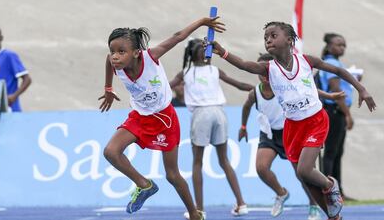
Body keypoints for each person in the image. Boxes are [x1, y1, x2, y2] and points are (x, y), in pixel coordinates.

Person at [211, 22, 376, 220]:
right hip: (292, 126)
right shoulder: (268, 68)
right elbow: (245, 65)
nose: (268, 40)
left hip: (315, 120)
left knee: (305, 170)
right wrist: (222, 52)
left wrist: (361, 89)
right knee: (303, 176)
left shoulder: (306, 61)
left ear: (289, 40)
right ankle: (332, 216)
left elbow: (338, 71)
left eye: (273, 35)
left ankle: (330, 185)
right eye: (265, 38)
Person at [98, 17, 225, 220]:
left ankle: (194, 213)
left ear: (136, 53)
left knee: (172, 175)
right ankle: (144, 184)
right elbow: (107, 61)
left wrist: (202, 22)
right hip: (139, 116)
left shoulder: (151, 57)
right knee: (111, 152)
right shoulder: (115, 64)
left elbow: (177, 37)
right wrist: (108, 88)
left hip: (165, 119)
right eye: (113, 51)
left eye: (121, 52)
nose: (115, 56)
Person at [239, 53, 346, 220]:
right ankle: (281, 193)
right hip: (270, 134)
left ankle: (314, 206)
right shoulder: (255, 93)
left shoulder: (282, 82)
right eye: (261, 73)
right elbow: (246, 107)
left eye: (266, 72)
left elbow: (309, 88)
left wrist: (329, 96)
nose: (264, 76)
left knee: (303, 174)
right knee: (261, 167)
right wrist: (243, 126)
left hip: (293, 131)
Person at [170, 38, 253, 219]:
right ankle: (241, 203)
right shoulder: (214, 70)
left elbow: (166, 88)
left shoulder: (186, 73)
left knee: (197, 163)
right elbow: (239, 85)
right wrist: (258, 89)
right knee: (224, 160)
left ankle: (199, 209)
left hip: (201, 115)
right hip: (219, 113)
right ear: (205, 52)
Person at [319, 33, 360, 201]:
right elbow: (336, 91)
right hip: (334, 112)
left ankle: (338, 191)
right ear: (329, 46)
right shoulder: (331, 64)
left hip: (338, 112)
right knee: (330, 153)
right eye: (338, 44)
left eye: (343, 45)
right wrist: (348, 114)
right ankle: (329, 191)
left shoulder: (336, 63)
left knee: (336, 153)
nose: (341, 48)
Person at [0, 26, 32, 112]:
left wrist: (14, 96)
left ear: (1, 38)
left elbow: (27, 79)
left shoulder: (9, 56)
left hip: (10, 110)